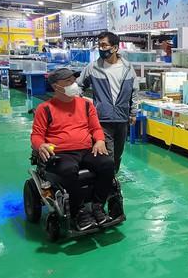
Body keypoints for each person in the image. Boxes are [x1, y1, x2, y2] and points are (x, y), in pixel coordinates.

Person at [31, 68, 115, 231]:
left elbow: (96, 128)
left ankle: (98, 206)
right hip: (61, 152)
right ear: (56, 87)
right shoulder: (45, 108)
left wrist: (99, 140)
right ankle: (79, 211)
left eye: (73, 80)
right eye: (68, 82)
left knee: (107, 163)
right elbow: (36, 135)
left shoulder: (86, 105)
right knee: (69, 170)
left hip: (86, 149)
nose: (73, 84)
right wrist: (41, 145)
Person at [77, 31, 140, 174]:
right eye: (99, 45)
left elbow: (134, 91)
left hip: (122, 118)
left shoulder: (127, 68)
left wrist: (133, 112)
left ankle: (112, 179)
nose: (101, 48)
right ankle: (108, 184)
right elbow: (79, 86)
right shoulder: (93, 67)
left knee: (117, 154)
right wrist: (81, 106)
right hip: (101, 119)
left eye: (104, 45)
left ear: (115, 48)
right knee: (107, 155)